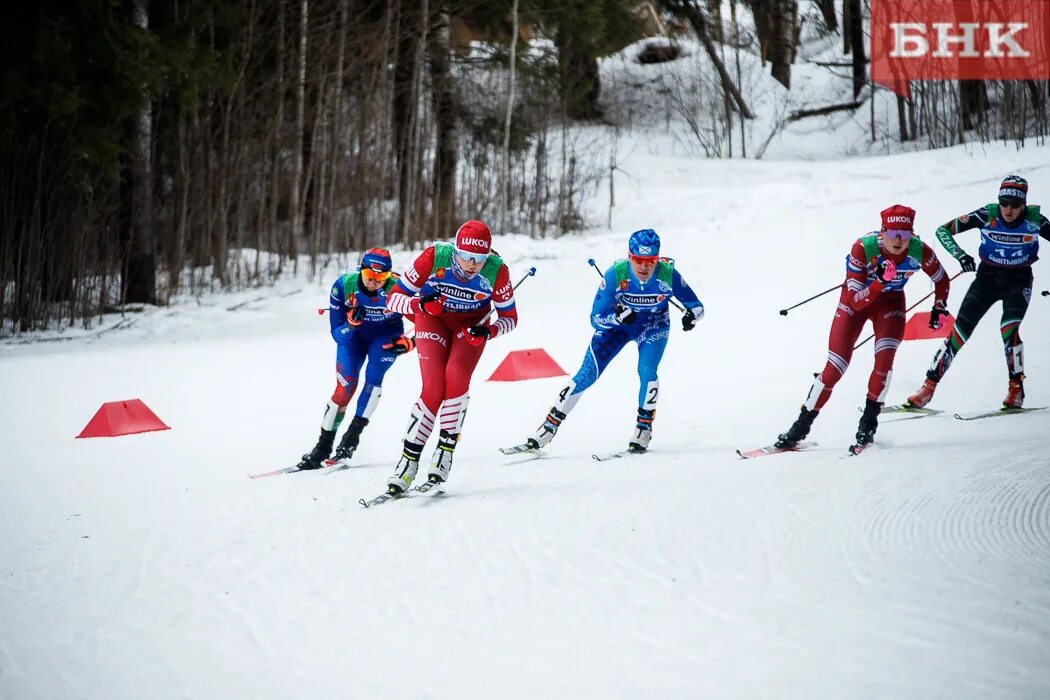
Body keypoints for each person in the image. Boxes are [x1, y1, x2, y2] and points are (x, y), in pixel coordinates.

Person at [775, 205, 951, 449]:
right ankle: (800, 426)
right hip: (855, 301)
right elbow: (856, 303)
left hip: (890, 303)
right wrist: (879, 282)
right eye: (892, 234)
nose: (899, 240)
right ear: (882, 232)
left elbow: (941, 278)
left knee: (884, 362)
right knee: (835, 367)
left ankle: (868, 424)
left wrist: (939, 306)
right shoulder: (864, 247)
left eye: (905, 233)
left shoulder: (919, 250)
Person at [524, 228, 704, 454]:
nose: (644, 266)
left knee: (647, 371)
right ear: (630, 256)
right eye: (638, 259)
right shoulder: (615, 274)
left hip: (653, 326)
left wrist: (691, 317)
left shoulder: (668, 273)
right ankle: (548, 427)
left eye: (651, 260)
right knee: (586, 374)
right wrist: (617, 318)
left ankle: (643, 429)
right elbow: (595, 319)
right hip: (617, 329)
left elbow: (697, 307)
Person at [382, 220, 518, 494]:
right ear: (455, 251)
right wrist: (419, 303)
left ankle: (445, 450)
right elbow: (392, 299)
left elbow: (510, 319)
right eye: (466, 257)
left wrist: (487, 331)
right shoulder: (435, 257)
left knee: (456, 380)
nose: (471, 265)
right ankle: (408, 461)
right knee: (433, 389)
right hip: (432, 320)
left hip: (467, 328)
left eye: (479, 260)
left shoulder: (496, 270)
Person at [906, 175, 1050, 410]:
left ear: (1024, 204)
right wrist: (961, 255)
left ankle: (1016, 388)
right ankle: (929, 386)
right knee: (959, 332)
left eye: (1015, 205)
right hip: (987, 278)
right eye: (1004, 203)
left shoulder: (1036, 220)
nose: (1009, 210)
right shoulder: (988, 214)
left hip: (1019, 279)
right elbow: (943, 231)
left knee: (1009, 329)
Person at [297, 248, 415, 469]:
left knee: (373, 377)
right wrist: (351, 325)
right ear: (361, 270)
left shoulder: (397, 288)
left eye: (381, 278)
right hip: (353, 339)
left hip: (385, 337)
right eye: (370, 276)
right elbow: (336, 335)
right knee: (344, 389)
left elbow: (427, 320)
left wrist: (412, 342)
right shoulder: (343, 285)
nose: (374, 282)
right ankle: (322, 446)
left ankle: (352, 436)